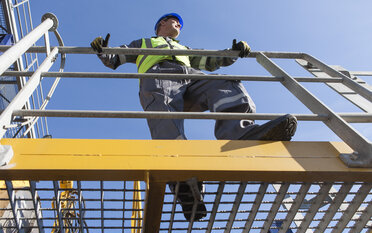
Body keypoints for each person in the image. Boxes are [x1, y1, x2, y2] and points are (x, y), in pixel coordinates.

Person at [91, 13, 297, 221]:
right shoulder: (144, 42)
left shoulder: (184, 49)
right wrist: (103, 50)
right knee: (166, 121)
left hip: (188, 77)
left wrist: (233, 52)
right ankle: (186, 187)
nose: (179, 24)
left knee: (225, 85)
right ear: (161, 24)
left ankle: (243, 134)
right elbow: (117, 57)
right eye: (174, 20)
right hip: (159, 77)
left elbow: (209, 61)